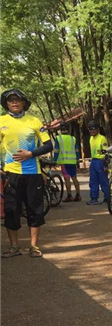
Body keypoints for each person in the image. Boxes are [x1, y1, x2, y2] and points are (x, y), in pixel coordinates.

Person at [0, 88, 54, 258]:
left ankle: (34, 246)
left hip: (32, 173)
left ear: (24, 102)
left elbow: (48, 145)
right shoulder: (1, 121)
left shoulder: (34, 121)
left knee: (35, 209)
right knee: (11, 210)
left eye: (17, 100)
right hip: (10, 173)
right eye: (10, 100)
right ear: (6, 104)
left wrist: (31, 154)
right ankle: (14, 247)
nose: (14, 102)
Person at [54, 121, 81, 201]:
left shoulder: (58, 138)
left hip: (64, 162)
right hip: (72, 161)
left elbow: (56, 150)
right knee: (74, 177)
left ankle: (69, 195)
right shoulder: (73, 138)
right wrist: (77, 159)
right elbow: (76, 150)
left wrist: (54, 160)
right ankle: (78, 195)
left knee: (67, 178)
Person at [86, 121, 110, 205]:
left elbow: (106, 151)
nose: (92, 131)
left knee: (103, 181)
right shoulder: (91, 138)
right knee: (93, 181)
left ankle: (107, 198)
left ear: (97, 129)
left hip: (101, 161)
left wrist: (106, 163)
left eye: (93, 129)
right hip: (94, 161)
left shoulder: (102, 138)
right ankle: (94, 198)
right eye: (90, 129)